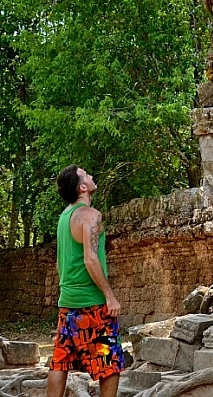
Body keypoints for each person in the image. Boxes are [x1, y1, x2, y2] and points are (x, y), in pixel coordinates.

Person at [46, 165, 124, 397]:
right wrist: (109, 297)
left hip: (67, 301)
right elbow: (91, 260)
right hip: (92, 304)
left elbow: (61, 262)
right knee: (109, 363)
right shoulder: (91, 216)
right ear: (82, 187)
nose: (91, 176)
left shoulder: (65, 216)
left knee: (60, 362)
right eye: (87, 175)